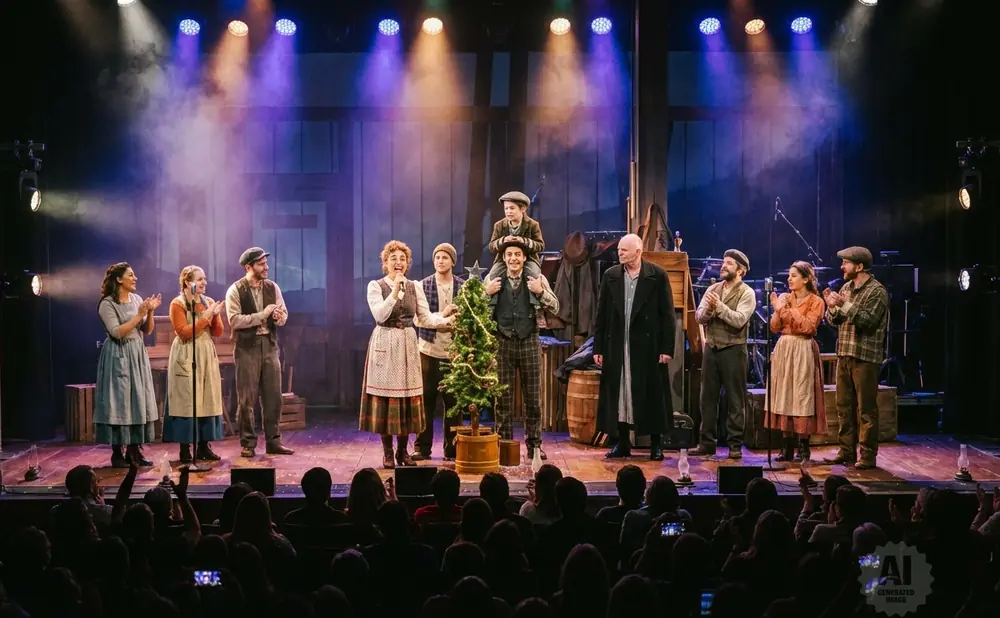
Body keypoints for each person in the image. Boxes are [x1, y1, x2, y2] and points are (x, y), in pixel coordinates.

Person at [360, 240, 454, 469]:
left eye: (402, 259)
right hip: (385, 341)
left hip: (408, 344)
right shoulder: (376, 286)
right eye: (394, 259)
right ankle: (388, 453)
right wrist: (394, 292)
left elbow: (425, 318)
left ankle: (403, 451)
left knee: (405, 400)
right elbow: (380, 315)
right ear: (385, 263)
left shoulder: (415, 286)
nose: (398, 263)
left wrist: (446, 321)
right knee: (386, 400)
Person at [592, 233, 676, 461]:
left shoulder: (656, 276)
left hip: (647, 347)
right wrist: (598, 347)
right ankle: (622, 442)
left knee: (652, 394)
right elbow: (601, 315)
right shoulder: (611, 276)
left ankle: (656, 444)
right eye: (619, 250)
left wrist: (667, 348)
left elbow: (667, 314)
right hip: (618, 344)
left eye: (624, 250)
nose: (619, 253)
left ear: (638, 252)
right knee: (620, 394)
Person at [484, 240, 560, 462]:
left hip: (528, 339)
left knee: (533, 398)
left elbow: (555, 306)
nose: (514, 258)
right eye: (509, 255)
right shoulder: (494, 279)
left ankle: (535, 445)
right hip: (503, 340)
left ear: (525, 258)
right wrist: (486, 292)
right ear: (504, 258)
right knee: (503, 399)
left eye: (518, 254)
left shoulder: (536, 279)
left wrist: (541, 291)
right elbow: (474, 306)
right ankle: (504, 444)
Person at [822, 246, 889, 470]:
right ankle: (846, 451)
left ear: (859, 266)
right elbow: (835, 321)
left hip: (865, 357)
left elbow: (868, 321)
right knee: (843, 406)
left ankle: (868, 455)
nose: (842, 267)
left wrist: (843, 304)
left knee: (866, 410)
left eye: (846, 263)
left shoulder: (877, 291)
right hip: (845, 354)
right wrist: (831, 308)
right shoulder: (846, 287)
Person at [225, 247, 294, 458]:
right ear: (249, 267)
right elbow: (235, 320)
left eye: (266, 263)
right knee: (247, 397)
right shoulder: (236, 290)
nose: (266, 267)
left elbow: (283, 316)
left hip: (270, 344)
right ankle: (248, 442)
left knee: (273, 396)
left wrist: (279, 317)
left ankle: (274, 441)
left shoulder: (273, 288)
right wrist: (262, 315)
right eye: (261, 264)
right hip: (247, 347)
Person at [690, 250, 756, 460]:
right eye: (723, 262)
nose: (723, 266)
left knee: (736, 400)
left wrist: (718, 307)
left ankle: (734, 444)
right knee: (707, 398)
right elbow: (699, 317)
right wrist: (709, 310)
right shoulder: (713, 288)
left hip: (734, 350)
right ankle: (706, 443)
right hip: (712, 349)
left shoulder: (747, 293)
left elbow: (739, 320)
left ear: (741, 270)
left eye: (729, 264)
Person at [95, 262, 161, 468]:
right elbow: (117, 332)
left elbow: (147, 330)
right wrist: (140, 314)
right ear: (119, 279)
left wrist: (149, 312)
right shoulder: (107, 303)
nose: (135, 278)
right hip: (118, 354)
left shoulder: (137, 299)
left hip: (137, 353)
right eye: (131, 275)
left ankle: (135, 450)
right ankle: (117, 452)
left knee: (137, 399)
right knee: (119, 400)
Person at [163, 265, 226, 463]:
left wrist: (215, 314)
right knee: (187, 399)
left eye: (204, 279)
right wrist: (207, 316)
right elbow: (183, 332)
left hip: (205, 351)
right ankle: (185, 448)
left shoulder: (206, 301)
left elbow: (217, 332)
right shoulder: (178, 303)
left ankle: (204, 446)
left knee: (207, 396)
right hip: (187, 351)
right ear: (186, 282)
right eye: (199, 279)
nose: (204, 283)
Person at [766, 261, 827, 462]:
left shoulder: (816, 301)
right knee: (785, 394)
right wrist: (777, 309)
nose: (789, 279)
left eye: (794, 275)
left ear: (806, 279)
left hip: (803, 348)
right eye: (789, 275)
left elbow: (808, 327)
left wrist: (785, 310)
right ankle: (786, 445)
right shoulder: (785, 298)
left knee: (802, 394)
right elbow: (774, 327)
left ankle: (803, 445)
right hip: (784, 347)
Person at [413, 243, 463, 461]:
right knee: (426, 402)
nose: (440, 261)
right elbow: (418, 319)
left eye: (445, 257)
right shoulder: (424, 285)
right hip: (428, 351)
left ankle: (452, 449)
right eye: (437, 257)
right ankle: (422, 448)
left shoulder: (462, 286)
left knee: (453, 405)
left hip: (453, 353)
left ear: (453, 261)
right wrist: (442, 317)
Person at [487, 191, 545, 306]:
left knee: (533, 274)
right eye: (506, 208)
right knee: (493, 275)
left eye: (512, 208)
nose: (508, 212)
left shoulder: (532, 225)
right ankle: (492, 307)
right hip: (505, 260)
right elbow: (492, 246)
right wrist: (503, 240)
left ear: (522, 209)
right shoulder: (499, 225)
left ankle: (537, 308)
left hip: (528, 258)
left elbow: (540, 245)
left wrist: (524, 241)